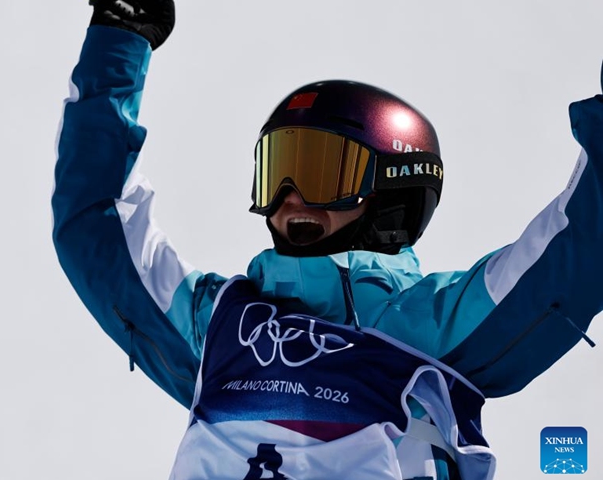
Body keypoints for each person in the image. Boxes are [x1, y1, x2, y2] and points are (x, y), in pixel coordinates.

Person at [51, 1, 603, 478]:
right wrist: (122, 31)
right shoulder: (217, 324)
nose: (290, 197)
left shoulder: (431, 328)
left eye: (321, 173)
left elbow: (576, 251)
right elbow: (96, 223)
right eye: (278, 172)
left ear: (392, 190)